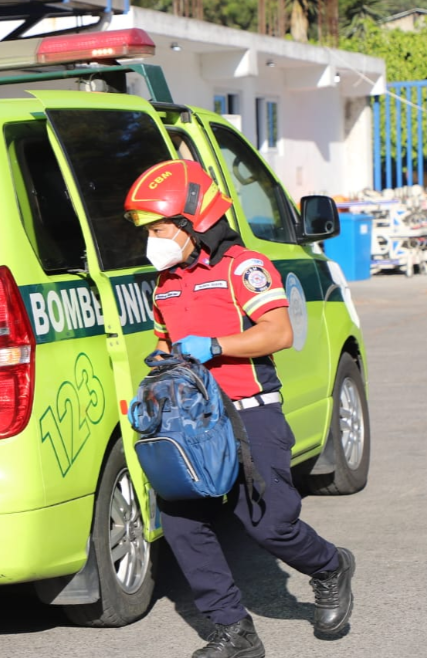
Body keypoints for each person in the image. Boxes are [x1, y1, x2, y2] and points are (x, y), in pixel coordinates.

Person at [124, 159, 355, 658]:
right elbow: (168, 348)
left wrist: (216, 344)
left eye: (159, 228)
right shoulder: (163, 283)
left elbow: (279, 332)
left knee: (269, 524)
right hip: (194, 423)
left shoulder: (242, 267)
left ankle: (330, 566)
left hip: (251, 412)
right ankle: (234, 631)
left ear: (192, 222)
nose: (153, 239)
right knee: (182, 521)